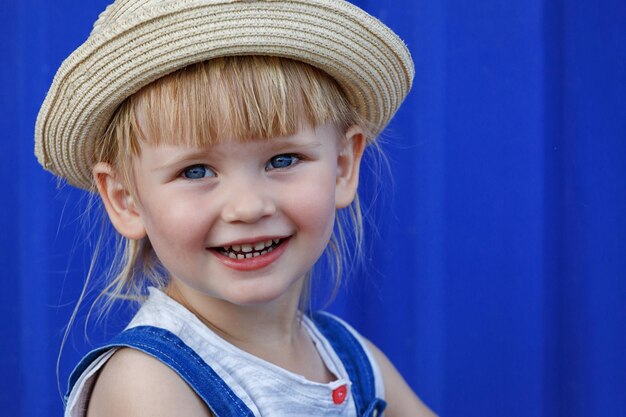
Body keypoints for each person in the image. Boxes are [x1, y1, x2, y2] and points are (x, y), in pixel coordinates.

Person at [35, 0, 436, 416]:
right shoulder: (150, 384)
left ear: (342, 167)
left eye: (282, 160)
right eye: (195, 171)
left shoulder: (353, 363)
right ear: (126, 199)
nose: (247, 207)